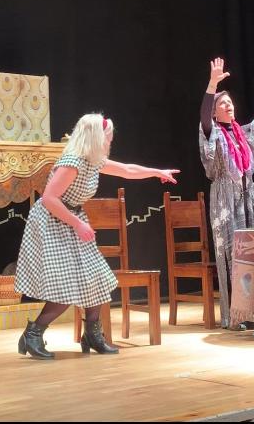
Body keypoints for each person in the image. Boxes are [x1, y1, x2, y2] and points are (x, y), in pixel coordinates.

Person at [15, 113, 180, 359]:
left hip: (72, 219)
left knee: (97, 277)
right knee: (67, 285)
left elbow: (127, 170)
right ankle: (33, 334)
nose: (110, 141)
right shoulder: (73, 162)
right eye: (107, 137)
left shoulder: (93, 160)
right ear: (94, 137)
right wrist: (77, 224)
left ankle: (92, 335)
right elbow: (49, 198)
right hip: (52, 221)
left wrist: (157, 172)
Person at [199, 57, 254, 329]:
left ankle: (253, 311)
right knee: (231, 254)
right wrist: (213, 84)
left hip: (248, 198)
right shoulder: (211, 132)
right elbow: (203, 116)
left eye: (230, 103)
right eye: (222, 104)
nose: (229, 106)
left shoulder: (243, 133)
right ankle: (234, 314)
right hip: (225, 201)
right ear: (215, 113)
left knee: (251, 254)